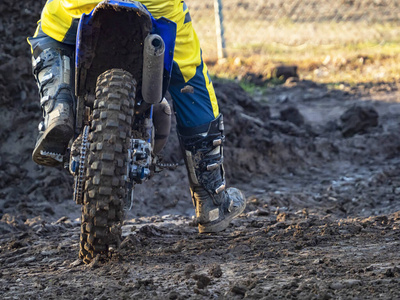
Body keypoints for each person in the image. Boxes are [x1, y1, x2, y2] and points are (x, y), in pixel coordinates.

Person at [28, 0, 246, 233]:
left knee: (49, 32)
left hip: (82, 4)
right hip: (157, 5)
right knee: (190, 75)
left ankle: (59, 107)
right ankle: (211, 200)